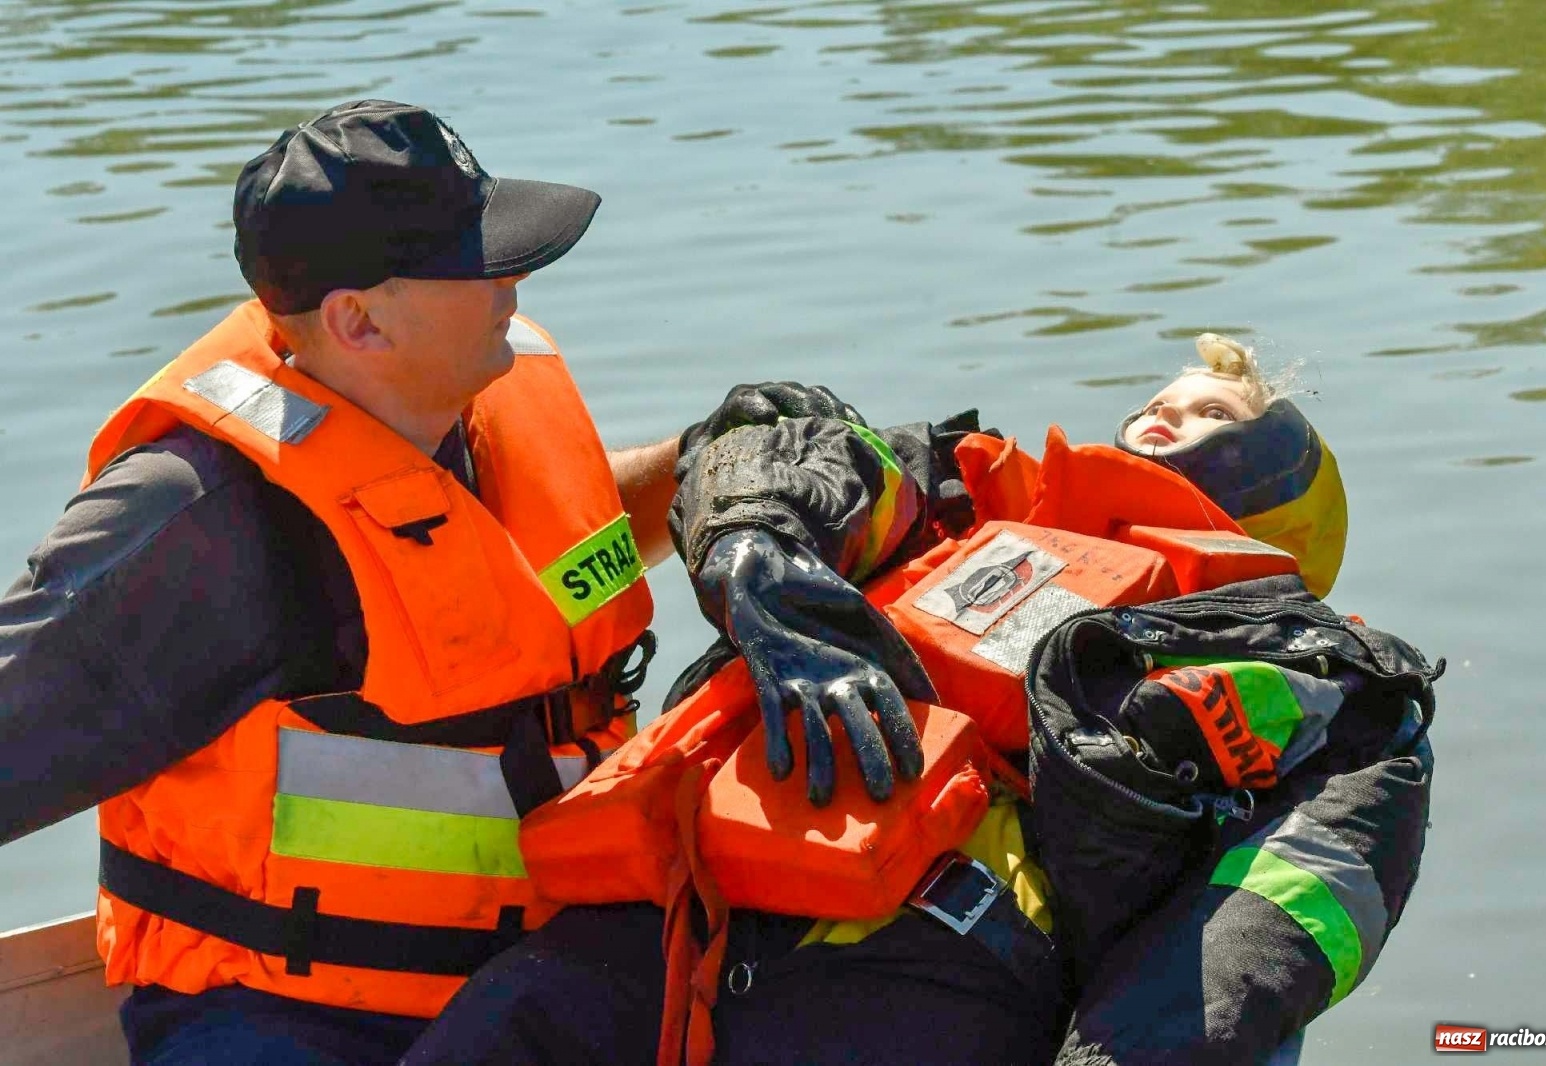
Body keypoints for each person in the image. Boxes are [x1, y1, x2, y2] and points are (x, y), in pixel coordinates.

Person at [0, 99, 899, 1066]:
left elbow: (541, 570)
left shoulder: (455, 405)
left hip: (532, 975)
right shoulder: (201, 523)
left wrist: (713, 479)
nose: (512, 280)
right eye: (475, 261)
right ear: (359, 321)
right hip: (285, 1020)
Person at [398, 334, 1439, 1065]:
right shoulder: (955, 501)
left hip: (938, 971)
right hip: (665, 921)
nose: (1170, 408)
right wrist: (750, 540)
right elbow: (782, 427)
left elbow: (1252, 947)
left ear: (1292, 510)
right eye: (1165, 395)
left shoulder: (1336, 686)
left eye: (1215, 411)